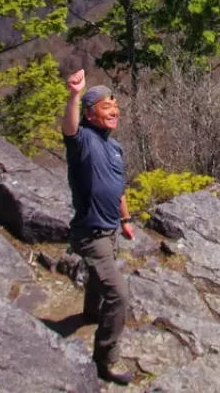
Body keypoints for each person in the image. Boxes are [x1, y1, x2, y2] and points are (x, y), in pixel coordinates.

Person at [63, 68, 135, 385]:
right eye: (106, 107)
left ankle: (91, 314)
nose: (114, 111)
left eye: (115, 106)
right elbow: (69, 128)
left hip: (110, 227)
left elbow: (117, 188)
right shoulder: (84, 141)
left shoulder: (114, 147)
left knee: (98, 275)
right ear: (91, 115)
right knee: (118, 295)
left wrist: (126, 219)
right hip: (91, 232)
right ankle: (106, 359)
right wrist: (75, 95)